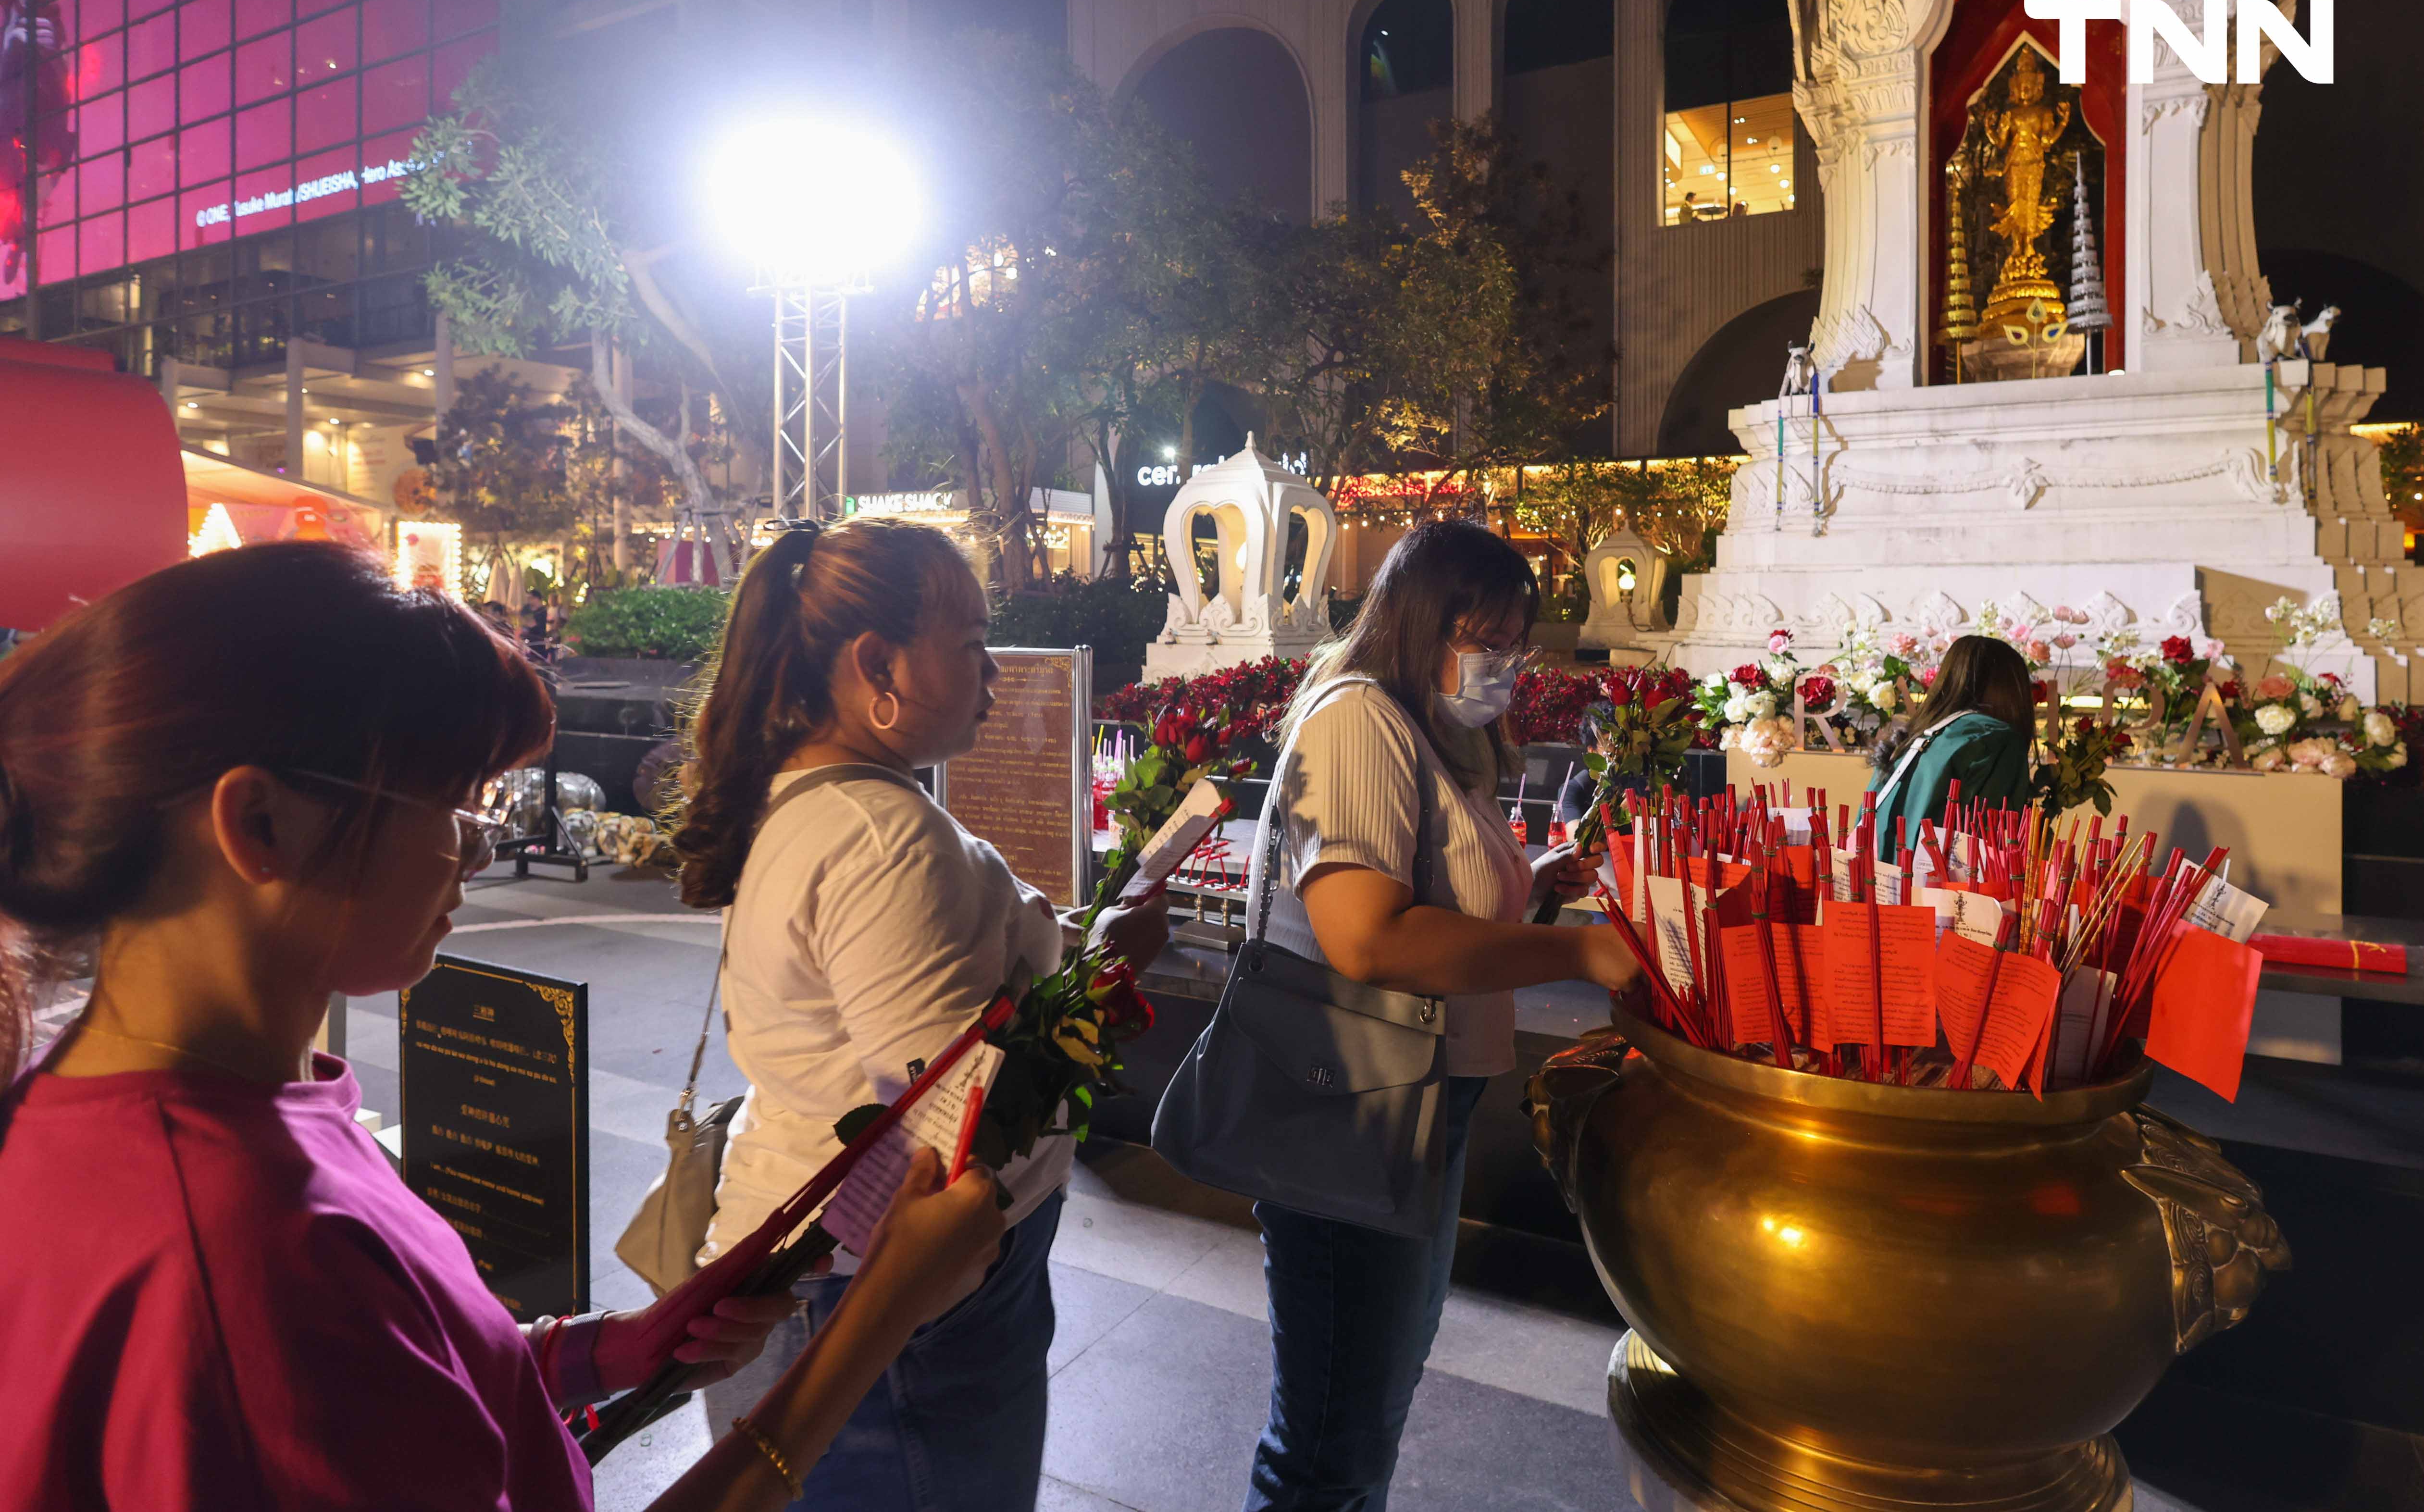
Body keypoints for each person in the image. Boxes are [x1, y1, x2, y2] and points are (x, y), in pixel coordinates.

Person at [0, 543, 1007, 1512]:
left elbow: (392, 1377)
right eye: (450, 801)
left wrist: (606, 1347)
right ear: (260, 823)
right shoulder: (240, 1256)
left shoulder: (185, 1104)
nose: (474, 851)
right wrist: (875, 1322)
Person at [672, 516, 1172, 1512]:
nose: (992, 670)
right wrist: (1109, 969)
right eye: (972, 643)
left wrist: (1072, 945)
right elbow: (956, 1122)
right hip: (894, 1315)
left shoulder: (823, 801)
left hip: (834, 1288)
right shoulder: (882, 833)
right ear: (876, 663)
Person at [1226, 520, 1640, 1512]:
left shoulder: (1425, 732)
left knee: (1368, 1395)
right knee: (1330, 1432)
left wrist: (1530, 880)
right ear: (1421, 621)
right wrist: (1576, 949)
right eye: (1485, 634)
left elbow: (1429, 898)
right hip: (1351, 1106)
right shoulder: (1356, 718)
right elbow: (1367, 936)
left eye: (1514, 638)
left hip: (1416, 1098)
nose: (1505, 660)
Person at [1869, 633, 2038, 858]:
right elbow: (1989, 847)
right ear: (2012, 691)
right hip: (1937, 890)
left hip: (1875, 886)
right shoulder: (1996, 739)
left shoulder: (1908, 741)